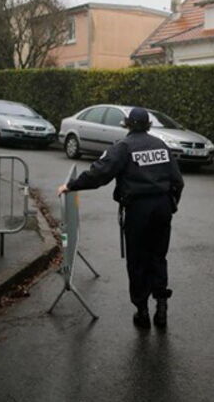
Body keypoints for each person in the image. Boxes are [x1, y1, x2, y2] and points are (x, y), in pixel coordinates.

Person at [57, 107, 184, 329]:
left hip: (138, 210)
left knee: (137, 260)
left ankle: (142, 311)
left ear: (127, 124)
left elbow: (99, 174)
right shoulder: (161, 145)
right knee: (158, 256)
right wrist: (171, 205)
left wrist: (71, 185)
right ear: (148, 124)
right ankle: (161, 306)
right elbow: (178, 181)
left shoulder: (123, 147)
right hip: (162, 207)